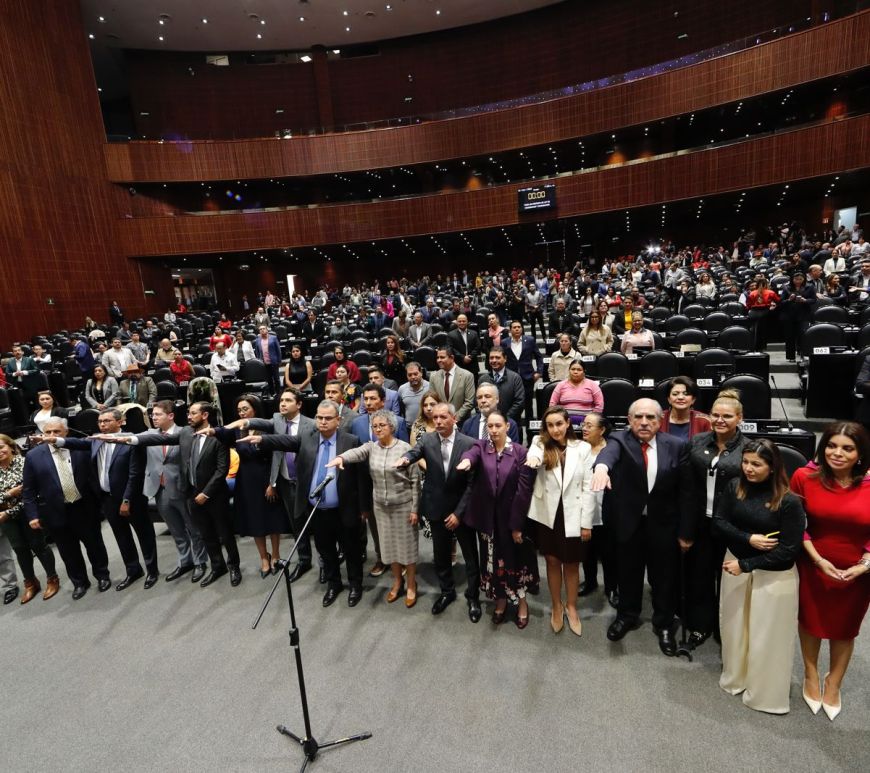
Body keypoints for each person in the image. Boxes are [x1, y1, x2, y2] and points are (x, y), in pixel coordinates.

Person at [241, 400, 366, 608]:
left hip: (344, 508)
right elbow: (284, 441)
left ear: (338, 420)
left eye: (328, 418)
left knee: (351, 550)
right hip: (317, 510)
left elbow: (361, 476)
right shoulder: (307, 438)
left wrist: (363, 507)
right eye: (319, 417)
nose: (323, 422)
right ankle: (334, 584)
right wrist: (261, 439)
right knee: (326, 551)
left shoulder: (350, 441)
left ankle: (355, 585)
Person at [591, 398, 693, 655]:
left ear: (660, 421)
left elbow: (686, 493)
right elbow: (607, 456)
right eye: (638, 417)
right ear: (629, 420)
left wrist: (686, 531)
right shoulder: (619, 440)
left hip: (664, 525)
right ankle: (627, 615)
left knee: (664, 577)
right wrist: (601, 468)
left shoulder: (677, 445)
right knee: (628, 573)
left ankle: (664, 624)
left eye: (650, 417)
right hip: (629, 524)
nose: (644, 422)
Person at [713, 440, 805, 714]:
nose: (748, 469)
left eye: (756, 464)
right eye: (745, 462)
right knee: (734, 627)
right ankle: (736, 678)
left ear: (772, 467)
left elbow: (789, 551)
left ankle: (765, 693)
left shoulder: (789, 501)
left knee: (768, 636)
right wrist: (748, 539)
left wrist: (747, 564)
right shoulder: (735, 486)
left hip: (773, 575)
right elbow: (719, 522)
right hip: (736, 565)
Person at [790, 422, 870, 721]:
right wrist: (818, 560)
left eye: (847, 448)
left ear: (860, 454)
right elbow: (795, 524)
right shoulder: (804, 477)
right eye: (832, 446)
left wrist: (864, 565)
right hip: (814, 564)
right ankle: (811, 674)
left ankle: (834, 681)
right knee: (810, 622)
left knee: (845, 628)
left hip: (858, 572)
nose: (837, 453)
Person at [117, 402, 241, 588]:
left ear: (205, 415)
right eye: (189, 413)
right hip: (192, 493)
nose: (189, 416)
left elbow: (221, 469)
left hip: (214, 494)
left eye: (193, 413)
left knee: (225, 533)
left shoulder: (219, 435)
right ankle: (217, 566)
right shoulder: (186, 433)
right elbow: (159, 439)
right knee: (206, 534)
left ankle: (234, 567)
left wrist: (206, 493)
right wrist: (125, 439)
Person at [54, 408, 159, 591]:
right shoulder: (97, 440)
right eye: (100, 421)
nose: (102, 424)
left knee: (144, 535)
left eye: (107, 421)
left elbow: (135, 474)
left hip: (131, 498)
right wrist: (55, 440)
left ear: (120, 422)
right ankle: (133, 570)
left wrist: (127, 500)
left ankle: (152, 570)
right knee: (122, 537)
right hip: (107, 499)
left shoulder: (131, 440)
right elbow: (76, 442)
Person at [397, 402, 481, 621]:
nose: (439, 421)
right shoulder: (427, 440)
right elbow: (414, 452)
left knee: (471, 557)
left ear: (454, 419)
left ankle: (473, 597)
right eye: (435, 418)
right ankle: (447, 592)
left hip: (462, 510)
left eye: (443, 417)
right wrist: (406, 459)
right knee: (440, 556)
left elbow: (472, 485)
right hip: (436, 508)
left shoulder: (469, 443)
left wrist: (458, 513)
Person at [328, 409, 421, 607]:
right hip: (381, 508)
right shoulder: (371, 447)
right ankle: (398, 581)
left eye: (382, 425)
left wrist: (415, 509)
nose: (378, 429)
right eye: (375, 426)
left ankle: (412, 584)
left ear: (392, 427)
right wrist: (341, 458)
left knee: (407, 548)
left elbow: (415, 481)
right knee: (389, 548)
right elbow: (356, 452)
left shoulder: (405, 448)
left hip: (404, 507)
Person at [456, 411, 538, 627]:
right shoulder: (482, 446)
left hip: (511, 520)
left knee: (516, 563)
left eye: (497, 426)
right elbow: (471, 455)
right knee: (492, 563)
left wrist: (517, 526)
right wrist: (466, 461)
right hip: (488, 522)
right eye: (490, 426)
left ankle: (522, 604)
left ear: (507, 426)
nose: (493, 430)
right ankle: (500, 601)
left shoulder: (520, 452)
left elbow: (524, 492)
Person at [684, 390, 750, 648]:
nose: (720, 420)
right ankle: (701, 625)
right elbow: (688, 489)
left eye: (727, 416)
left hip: (733, 526)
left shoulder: (750, 448)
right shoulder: (697, 442)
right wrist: (686, 529)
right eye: (715, 415)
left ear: (740, 418)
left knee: (729, 579)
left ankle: (726, 628)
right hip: (701, 522)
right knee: (699, 577)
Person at [22, 418, 112, 600]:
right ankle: (79, 583)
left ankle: (102, 575)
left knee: (94, 545)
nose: (51, 436)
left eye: (56, 431)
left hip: (84, 506)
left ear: (66, 432)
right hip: (56, 512)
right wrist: (32, 515)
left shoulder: (80, 447)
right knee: (68, 551)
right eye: (48, 432)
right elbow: (28, 489)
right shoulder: (33, 456)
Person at [525, 407, 594, 636]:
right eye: (550, 425)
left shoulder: (582, 448)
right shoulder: (540, 443)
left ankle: (571, 606)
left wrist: (586, 523)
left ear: (567, 423)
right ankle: (556, 605)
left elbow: (588, 487)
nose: (555, 429)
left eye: (559, 424)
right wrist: (533, 458)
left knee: (572, 564)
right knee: (552, 561)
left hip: (573, 514)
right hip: (548, 515)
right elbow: (534, 454)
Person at [211, 395, 291, 579]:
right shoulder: (237, 430)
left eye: (245, 409)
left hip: (266, 476)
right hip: (246, 480)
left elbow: (275, 456)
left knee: (272, 519)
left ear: (255, 409)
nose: (241, 413)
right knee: (255, 521)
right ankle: (263, 557)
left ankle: (276, 555)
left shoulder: (267, 427)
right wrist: (212, 430)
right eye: (239, 410)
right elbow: (222, 433)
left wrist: (272, 483)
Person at [140, 400, 208, 584]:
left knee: (193, 528)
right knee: (176, 530)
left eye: (158, 414)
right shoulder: (149, 434)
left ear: (170, 416)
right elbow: (129, 437)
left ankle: (200, 562)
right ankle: (185, 561)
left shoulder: (185, 432)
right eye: (152, 415)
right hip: (159, 489)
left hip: (181, 489)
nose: (154, 418)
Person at [350, 383, 409, 576]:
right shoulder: (357, 423)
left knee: (398, 524)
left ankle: (402, 560)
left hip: (394, 481)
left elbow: (406, 454)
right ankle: (381, 558)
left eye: (373, 398)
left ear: (383, 401)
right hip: (367, 482)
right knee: (375, 525)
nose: (368, 402)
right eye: (365, 399)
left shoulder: (398, 421)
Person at [0, 434, 59, 603]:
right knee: (19, 549)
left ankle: (52, 578)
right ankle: (31, 583)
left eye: (1, 447)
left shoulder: (25, 463)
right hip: (5, 517)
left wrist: (9, 509)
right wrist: (9, 494)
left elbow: (30, 493)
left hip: (27, 512)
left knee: (38, 545)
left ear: (11, 447)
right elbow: (14, 494)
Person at [579, 413, 616, 607]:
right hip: (586, 510)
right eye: (583, 425)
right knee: (587, 552)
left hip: (607, 509)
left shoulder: (612, 450)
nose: (584, 428)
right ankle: (590, 582)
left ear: (602, 430)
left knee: (609, 554)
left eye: (589, 426)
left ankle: (611, 587)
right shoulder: (579, 449)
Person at [502, 320, 544, 422]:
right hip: (511, 379)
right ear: (510, 330)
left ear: (522, 328)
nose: (517, 329)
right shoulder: (504, 342)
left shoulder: (530, 340)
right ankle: (515, 427)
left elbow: (539, 357)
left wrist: (539, 372)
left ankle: (530, 428)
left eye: (519, 327)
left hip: (527, 377)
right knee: (513, 405)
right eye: (514, 327)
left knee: (528, 405)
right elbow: (502, 359)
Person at [479, 347, 525, 428]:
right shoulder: (483, 379)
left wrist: (503, 420)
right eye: (491, 358)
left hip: (510, 425)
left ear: (505, 359)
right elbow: (477, 403)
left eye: (497, 357)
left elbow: (519, 402)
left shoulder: (515, 378)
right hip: (488, 426)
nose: (494, 360)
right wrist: (490, 419)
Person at [428, 346, 475, 423]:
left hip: (462, 423)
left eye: (442, 357)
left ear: (452, 358)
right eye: (437, 357)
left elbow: (469, 402)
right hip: (441, 422)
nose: (439, 360)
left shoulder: (467, 376)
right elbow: (432, 400)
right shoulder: (433, 377)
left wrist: (454, 418)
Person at [548, 359, 604, 424]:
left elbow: (599, 405)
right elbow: (552, 404)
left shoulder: (592, 385)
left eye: (579, 370)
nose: (575, 372)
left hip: (588, 421)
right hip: (564, 420)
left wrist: (592, 419)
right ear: (569, 370)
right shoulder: (561, 385)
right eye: (573, 369)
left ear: (584, 371)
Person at [660, 376, 711, 441]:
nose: (680, 397)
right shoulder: (658, 419)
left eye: (686, 394)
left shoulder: (705, 421)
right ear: (669, 399)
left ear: (693, 399)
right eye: (675, 394)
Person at [780, 272, 817, 361]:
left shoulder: (810, 286)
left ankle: (804, 353)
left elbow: (814, 300)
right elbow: (781, 302)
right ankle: (791, 356)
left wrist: (805, 300)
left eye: (800, 279)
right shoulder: (786, 287)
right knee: (790, 336)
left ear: (804, 279)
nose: (798, 281)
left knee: (803, 334)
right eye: (796, 279)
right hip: (789, 315)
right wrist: (789, 300)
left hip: (804, 314)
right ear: (792, 279)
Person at [745, 276, 779, 350]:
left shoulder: (752, 293)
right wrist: (772, 305)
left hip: (753, 312)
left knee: (753, 330)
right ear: (766, 284)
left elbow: (748, 306)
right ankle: (761, 347)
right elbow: (778, 301)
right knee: (762, 331)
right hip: (764, 312)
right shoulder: (771, 292)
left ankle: (753, 347)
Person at [397, 361, 430, 426]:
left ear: (421, 373)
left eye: (415, 374)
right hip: (408, 427)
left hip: (427, 426)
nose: (413, 377)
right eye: (410, 375)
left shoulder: (430, 387)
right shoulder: (402, 389)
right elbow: (400, 409)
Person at [253, 325, 282, 396]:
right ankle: (272, 394)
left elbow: (278, 350)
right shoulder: (257, 340)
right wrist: (259, 362)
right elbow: (257, 352)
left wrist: (279, 360)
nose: (262, 330)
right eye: (260, 329)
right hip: (264, 363)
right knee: (269, 379)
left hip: (274, 362)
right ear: (259, 331)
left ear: (267, 330)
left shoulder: (273, 338)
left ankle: (279, 393)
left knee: (276, 379)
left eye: (263, 328)